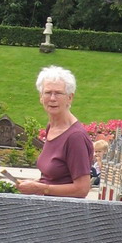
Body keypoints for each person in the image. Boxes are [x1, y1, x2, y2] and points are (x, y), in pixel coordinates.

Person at [17, 66, 94, 199]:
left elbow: (82, 189)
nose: (52, 98)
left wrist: (40, 188)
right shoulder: (51, 127)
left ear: (70, 98)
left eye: (58, 93)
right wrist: (33, 184)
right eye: (47, 93)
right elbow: (54, 179)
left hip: (62, 214)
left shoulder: (75, 137)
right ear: (41, 97)